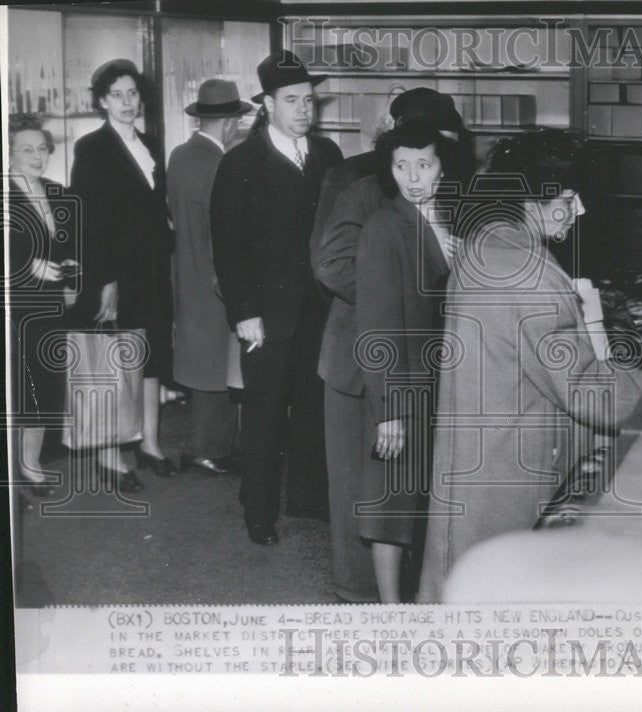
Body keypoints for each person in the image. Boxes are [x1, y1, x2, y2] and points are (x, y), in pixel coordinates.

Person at [417, 130, 642, 602]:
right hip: (511, 472)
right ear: (536, 197)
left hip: (477, 458)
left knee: (461, 592)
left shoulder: (488, 244)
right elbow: (587, 391)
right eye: (569, 198)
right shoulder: (531, 273)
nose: (578, 211)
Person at [310, 88, 470, 602]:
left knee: (394, 484)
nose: (424, 167)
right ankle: (362, 596)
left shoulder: (442, 193)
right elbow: (330, 265)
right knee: (366, 486)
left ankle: (392, 593)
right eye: (414, 155)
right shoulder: (362, 185)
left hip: (410, 360)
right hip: (360, 357)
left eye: (439, 150)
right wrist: (399, 286)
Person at [211, 51, 344, 546]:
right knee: (265, 416)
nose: (304, 109)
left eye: (309, 100)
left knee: (312, 408)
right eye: (292, 100)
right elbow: (227, 246)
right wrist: (244, 313)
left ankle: (307, 498)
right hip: (265, 316)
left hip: (318, 309)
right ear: (267, 104)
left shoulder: (327, 155)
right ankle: (259, 512)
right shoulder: (241, 162)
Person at [349, 121, 474, 603]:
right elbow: (377, 328)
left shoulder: (445, 220)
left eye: (424, 164)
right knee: (392, 504)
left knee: (421, 499)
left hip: (440, 384)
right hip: (401, 386)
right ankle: (391, 612)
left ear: (442, 169)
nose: (412, 176)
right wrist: (390, 412)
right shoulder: (385, 226)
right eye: (402, 165)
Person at [69, 59, 175, 491]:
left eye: (133, 93)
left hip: (150, 269)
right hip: (113, 271)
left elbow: (153, 206)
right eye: (118, 94)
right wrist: (105, 281)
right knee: (114, 364)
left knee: (151, 359)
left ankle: (149, 444)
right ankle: (110, 456)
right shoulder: (92, 147)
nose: (128, 102)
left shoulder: (149, 142)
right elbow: (89, 219)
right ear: (101, 101)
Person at [167, 79, 252, 475]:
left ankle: (204, 445)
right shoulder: (221, 164)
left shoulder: (180, 156)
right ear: (230, 122)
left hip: (186, 269)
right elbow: (226, 229)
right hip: (216, 276)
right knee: (219, 368)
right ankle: (208, 449)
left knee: (202, 367)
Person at [6, 114, 81, 502]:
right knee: (17, 392)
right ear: (9, 153)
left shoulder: (55, 191)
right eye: (26, 149)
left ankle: (30, 466)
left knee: (43, 388)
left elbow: (68, 246)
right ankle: (15, 476)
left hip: (50, 306)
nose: (36, 156)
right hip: (14, 310)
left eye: (41, 149)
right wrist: (28, 266)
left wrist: (72, 270)